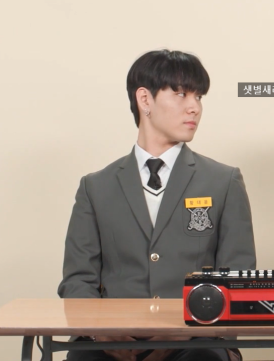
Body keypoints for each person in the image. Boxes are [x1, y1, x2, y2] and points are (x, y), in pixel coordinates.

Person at [59, 49, 256, 361]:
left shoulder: (223, 181)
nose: (194, 107)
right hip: (109, 342)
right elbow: (78, 279)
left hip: (196, 340)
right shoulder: (95, 187)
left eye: (199, 97)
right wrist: (100, 333)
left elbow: (237, 279)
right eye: (181, 94)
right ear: (144, 100)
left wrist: (186, 330)